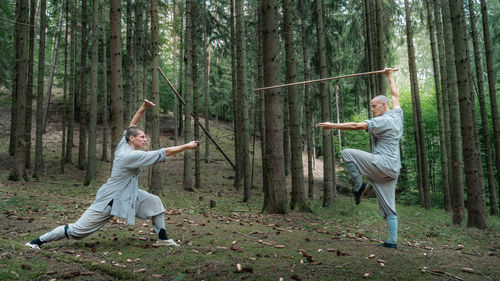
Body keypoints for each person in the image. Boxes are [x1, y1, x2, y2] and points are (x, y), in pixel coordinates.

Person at [25, 99, 199, 249]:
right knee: (76, 232)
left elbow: (132, 126)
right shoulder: (131, 155)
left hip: (128, 193)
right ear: (133, 139)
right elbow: (165, 152)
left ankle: (163, 239)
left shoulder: (124, 143)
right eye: (142, 137)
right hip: (111, 199)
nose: (145, 139)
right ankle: (36, 242)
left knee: (155, 202)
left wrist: (143, 107)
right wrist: (187, 146)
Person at [316, 68, 402, 249]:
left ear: (383, 106)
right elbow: (395, 95)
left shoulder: (383, 121)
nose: (372, 109)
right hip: (392, 170)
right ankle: (392, 242)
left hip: (382, 163)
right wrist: (390, 76)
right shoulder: (397, 115)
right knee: (389, 207)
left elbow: (356, 125)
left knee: (347, 152)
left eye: (374, 106)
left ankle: (359, 186)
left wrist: (332, 125)